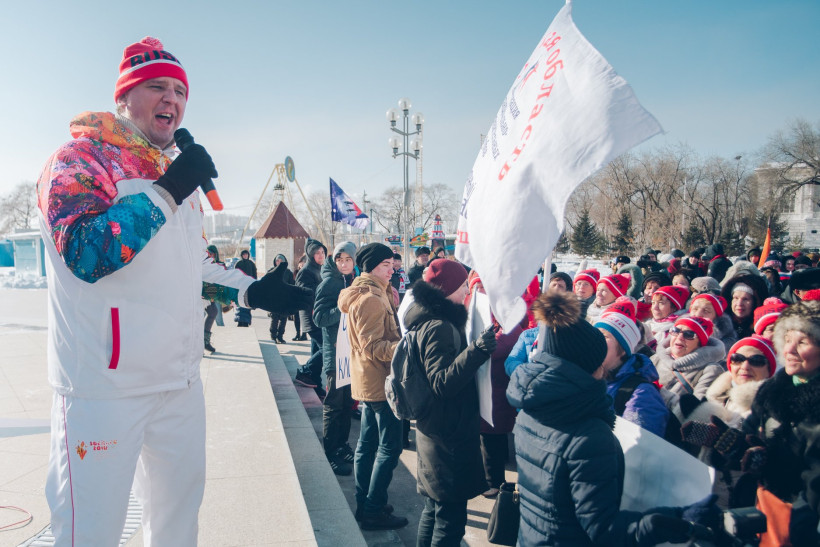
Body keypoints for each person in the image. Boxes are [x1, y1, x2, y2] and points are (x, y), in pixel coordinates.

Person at [37, 36, 310, 546]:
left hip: (178, 382)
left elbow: (191, 264)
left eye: (180, 91)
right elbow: (86, 253)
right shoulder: (79, 159)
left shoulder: (173, 174)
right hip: (104, 387)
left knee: (176, 526)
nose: (172, 99)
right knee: (88, 532)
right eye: (156, 87)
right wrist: (169, 191)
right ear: (124, 97)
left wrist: (251, 292)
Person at [506, 291, 719, 546]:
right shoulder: (588, 436)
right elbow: (604, 529)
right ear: (590, 368)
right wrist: (675, 520)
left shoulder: (529, 409)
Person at [405, 261, 498, 545]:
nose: (467, 293)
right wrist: (477, 350)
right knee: (449, 521)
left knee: (433, 511)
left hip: (435, 429)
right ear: (447, 290)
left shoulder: (427, 317)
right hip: (447, 436)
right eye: (462, 287)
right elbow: (442, 383)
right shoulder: (439, 326)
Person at [338, 243, 406, 530]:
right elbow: (372, 346)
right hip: (380, 382)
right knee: (389, 448)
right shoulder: (371, 299)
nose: (391, 270)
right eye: (385, 265)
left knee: (367, 445)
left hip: (370, 381)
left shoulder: (373, 292)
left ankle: (366, 503)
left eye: (392, 264)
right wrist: (405, 346)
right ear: (371, 268)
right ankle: (373, 509)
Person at [466, 273, 523, 499]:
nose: (479, 292)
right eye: (475, 288)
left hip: (497, 389)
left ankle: (494, 482)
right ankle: (489, 478)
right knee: (486, 437)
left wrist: (474, 346)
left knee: (492, 437)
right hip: (484, 387)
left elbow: (498, 347)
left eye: (483, 287)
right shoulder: (475, 315)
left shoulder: (507, 321)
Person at [594, 297, 669, 437]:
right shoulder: (583, 376)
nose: (595, 341)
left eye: (604, 336)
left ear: (623, 349)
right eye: (594, 334)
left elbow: (638, 446)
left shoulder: (642, 394)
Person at [313, 242, 357, 476]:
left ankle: (341, 445)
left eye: (348, 259)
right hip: (335, 353)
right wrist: (342, 309)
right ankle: (330, 453)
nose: (344, 263)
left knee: (347, 402)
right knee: (334, 404)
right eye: (340, 259)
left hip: (350, 352)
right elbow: (319, 318)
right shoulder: (330, 281)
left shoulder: (350, 280)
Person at [651, 316, 725, 402]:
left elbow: (697, 406)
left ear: (700, 343)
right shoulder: (656, 358)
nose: (680, 337)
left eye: (689, 334)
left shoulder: (710, 370)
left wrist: (655, 393)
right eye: (676, 331)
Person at [294, 238, 328, 396]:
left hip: (319, 317)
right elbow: (304, 293)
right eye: (317, 253)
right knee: (327, 347)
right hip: (311, 317)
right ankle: (305, 370)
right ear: (310, 254)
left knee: (317, 350)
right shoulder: (306, 271)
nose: (321, 255)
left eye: (322, 252)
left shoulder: (319, 269)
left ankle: (315, 383)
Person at [721, 273, 768, 339]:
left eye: (745, 299)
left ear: (755, 302)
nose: (739, 303)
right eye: (736, 298)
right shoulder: (720, 326)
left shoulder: (762, 331)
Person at [645, 285, 690, 351]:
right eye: (653, 303)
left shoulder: (676, 331)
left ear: (674, 308)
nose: (655, 307)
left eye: (661, 303)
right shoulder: (648, 325)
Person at [268, 254, 294, 344]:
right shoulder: (271, 271)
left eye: (281, 261)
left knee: (283, 318)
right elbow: (266, 285)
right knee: (274, 318)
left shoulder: (288, 272)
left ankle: (280, 336)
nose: (279, 262)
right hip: (274, 299)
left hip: (284, 298)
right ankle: (273, 336)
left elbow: (292, 285)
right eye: (277, 261)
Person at [233, 249, 257, 327]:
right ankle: (239, 321)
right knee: (239, 304)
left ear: (248, 255)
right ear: (242, 255)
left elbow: (254, 275)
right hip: (240, 287)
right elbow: (235, 275)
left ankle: (246, 321)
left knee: (247, 304)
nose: (245, 256)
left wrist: (254, 285)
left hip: (249, 287)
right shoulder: (238, 264)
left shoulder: (251, 264)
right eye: (244, 254)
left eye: (246, 254)